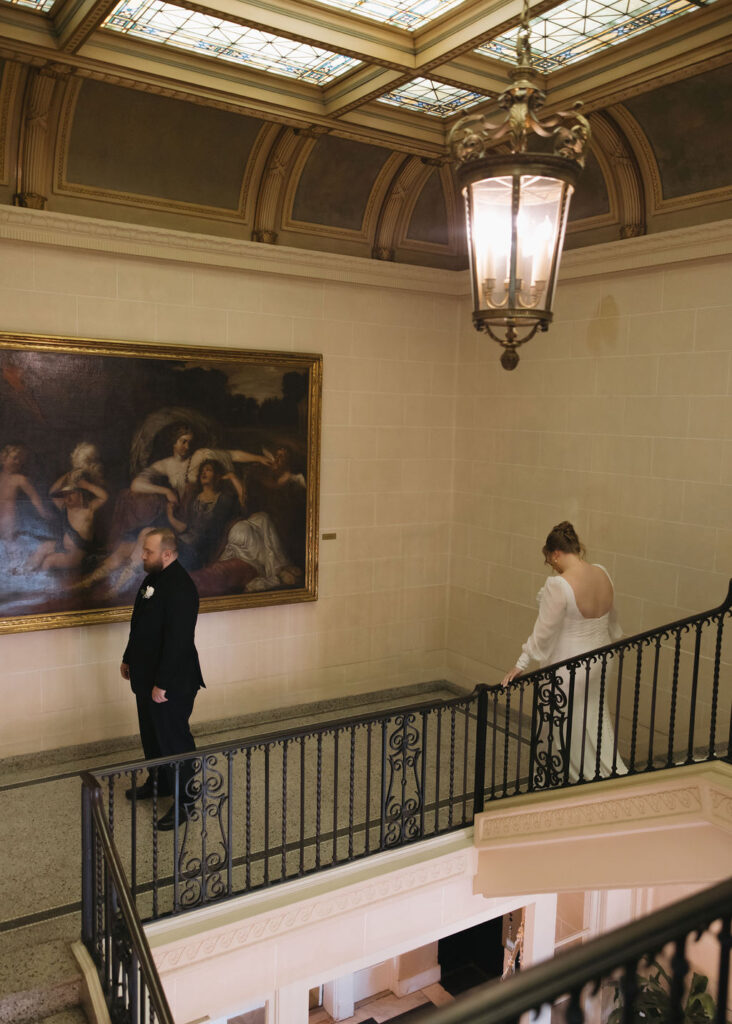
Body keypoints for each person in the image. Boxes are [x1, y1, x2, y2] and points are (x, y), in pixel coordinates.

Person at [501, 521, 627, 782]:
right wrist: (615, 638)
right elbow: (613, 617)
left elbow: (544, 630)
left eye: (550, 560)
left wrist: (521, 662)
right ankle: (606, 770)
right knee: (594, 712)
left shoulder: (558, 585)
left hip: (571, 663)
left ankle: (578, 776)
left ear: (556, 553)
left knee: (567, 720)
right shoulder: (602, 572)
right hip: (602, 659)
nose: (552, 566)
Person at [120, 527, 205, 830]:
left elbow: (178, 641)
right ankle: (159, 783)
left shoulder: (181, 587)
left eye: (149, 552)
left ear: (167, 554)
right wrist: (128, 657)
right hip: (146, 679)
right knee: (152, 735)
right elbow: (140, 624)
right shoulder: (152, 580)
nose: (142, 555)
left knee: (174, 740)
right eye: (144, 550)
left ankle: (185, 801)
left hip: (171, 683)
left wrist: (163, 683)